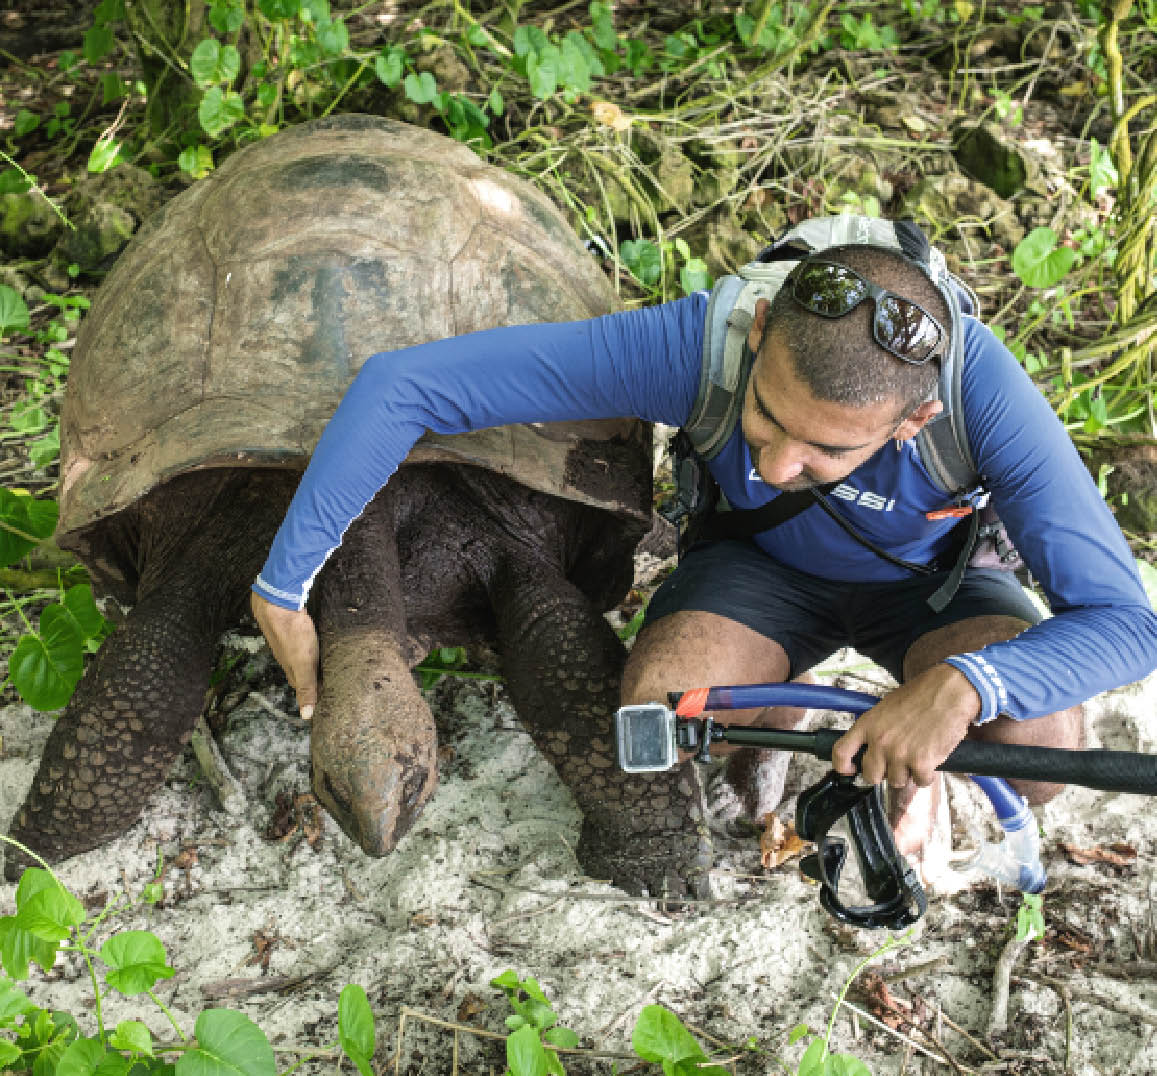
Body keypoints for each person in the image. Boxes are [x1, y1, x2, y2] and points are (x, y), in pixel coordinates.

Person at [252, 238, 1157, 884]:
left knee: (1035, 750)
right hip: (761, 571)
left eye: (822, 452)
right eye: (765, 417)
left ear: (910, 423)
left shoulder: (981, 403)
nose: (772, 464)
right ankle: (786, 731)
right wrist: (282, 584)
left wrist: (960, 689)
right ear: (759, 330)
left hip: (941, 586)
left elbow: (1129, 624)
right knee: (657, 710)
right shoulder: (695, 346)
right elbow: (403, 385)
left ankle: (918, 776)